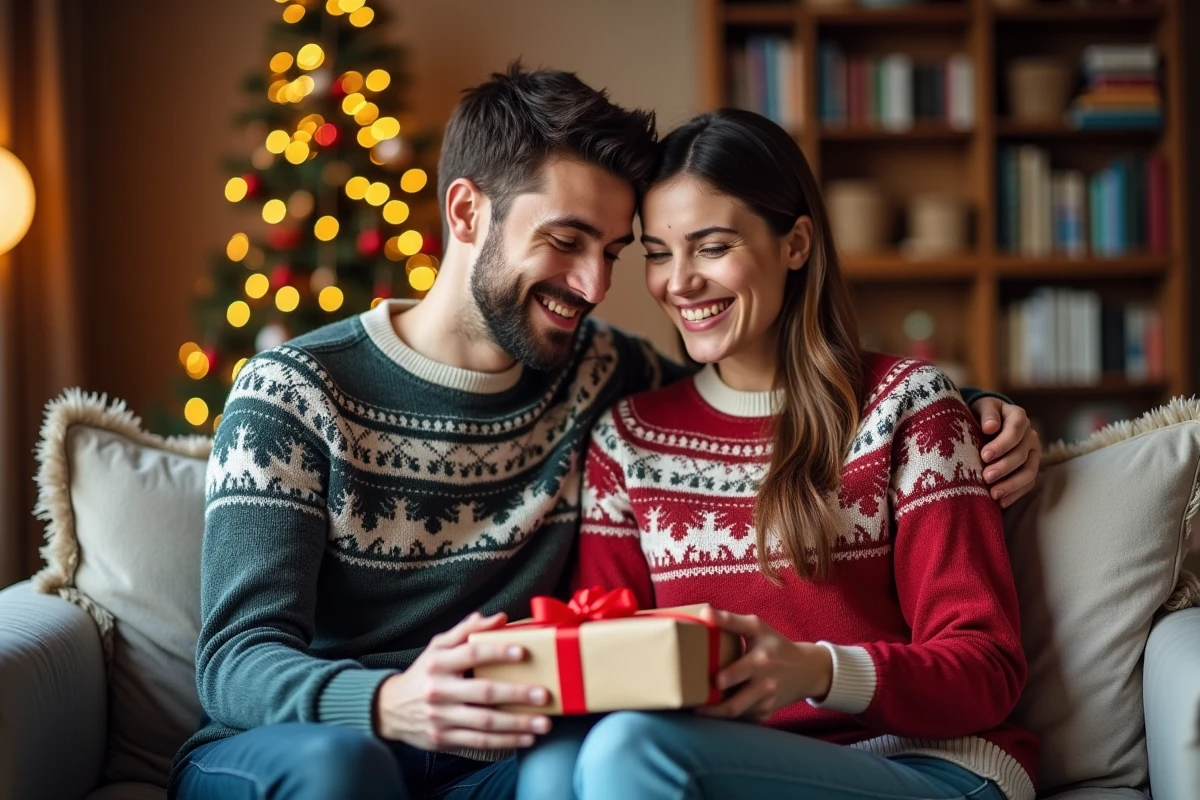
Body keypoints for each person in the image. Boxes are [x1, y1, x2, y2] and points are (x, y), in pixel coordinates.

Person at [170, 66, 1041, 800]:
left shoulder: (596, 376)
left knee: (576, 766)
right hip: (318, 735)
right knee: (342, 766)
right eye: (566, 241)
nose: (595, 285)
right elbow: (236, 661)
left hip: (501, 749)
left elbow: (780, 394)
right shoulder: (294, 391)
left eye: (617, 251)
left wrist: (977, 411)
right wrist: (386, 701)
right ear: (466, 214)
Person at [516, 108, 1039, 800]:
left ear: (795, 244)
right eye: (659, 253)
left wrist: (818, 671)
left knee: (630, 751)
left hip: (929, 765)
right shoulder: (629, 440)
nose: (680, 282)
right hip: (721, 766)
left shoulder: (908, 408)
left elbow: (987, 670)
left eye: (712, 246)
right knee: (554, 768)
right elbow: (617, 663)